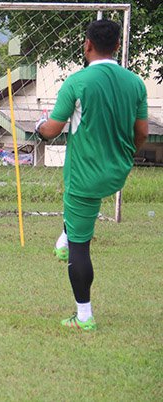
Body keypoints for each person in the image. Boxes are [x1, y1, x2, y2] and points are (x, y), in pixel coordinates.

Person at [35, 19, 148, 331]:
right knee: (75, 219)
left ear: (87, 45)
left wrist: (39, 129)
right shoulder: (136, 83)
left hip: (86, 175)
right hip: (118, 171)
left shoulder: (78, 82)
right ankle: (64, 237)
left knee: (80, 248)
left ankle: (83, 316)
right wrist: (127, 153)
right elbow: (142, 133)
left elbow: (52, 129)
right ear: (116, 46)